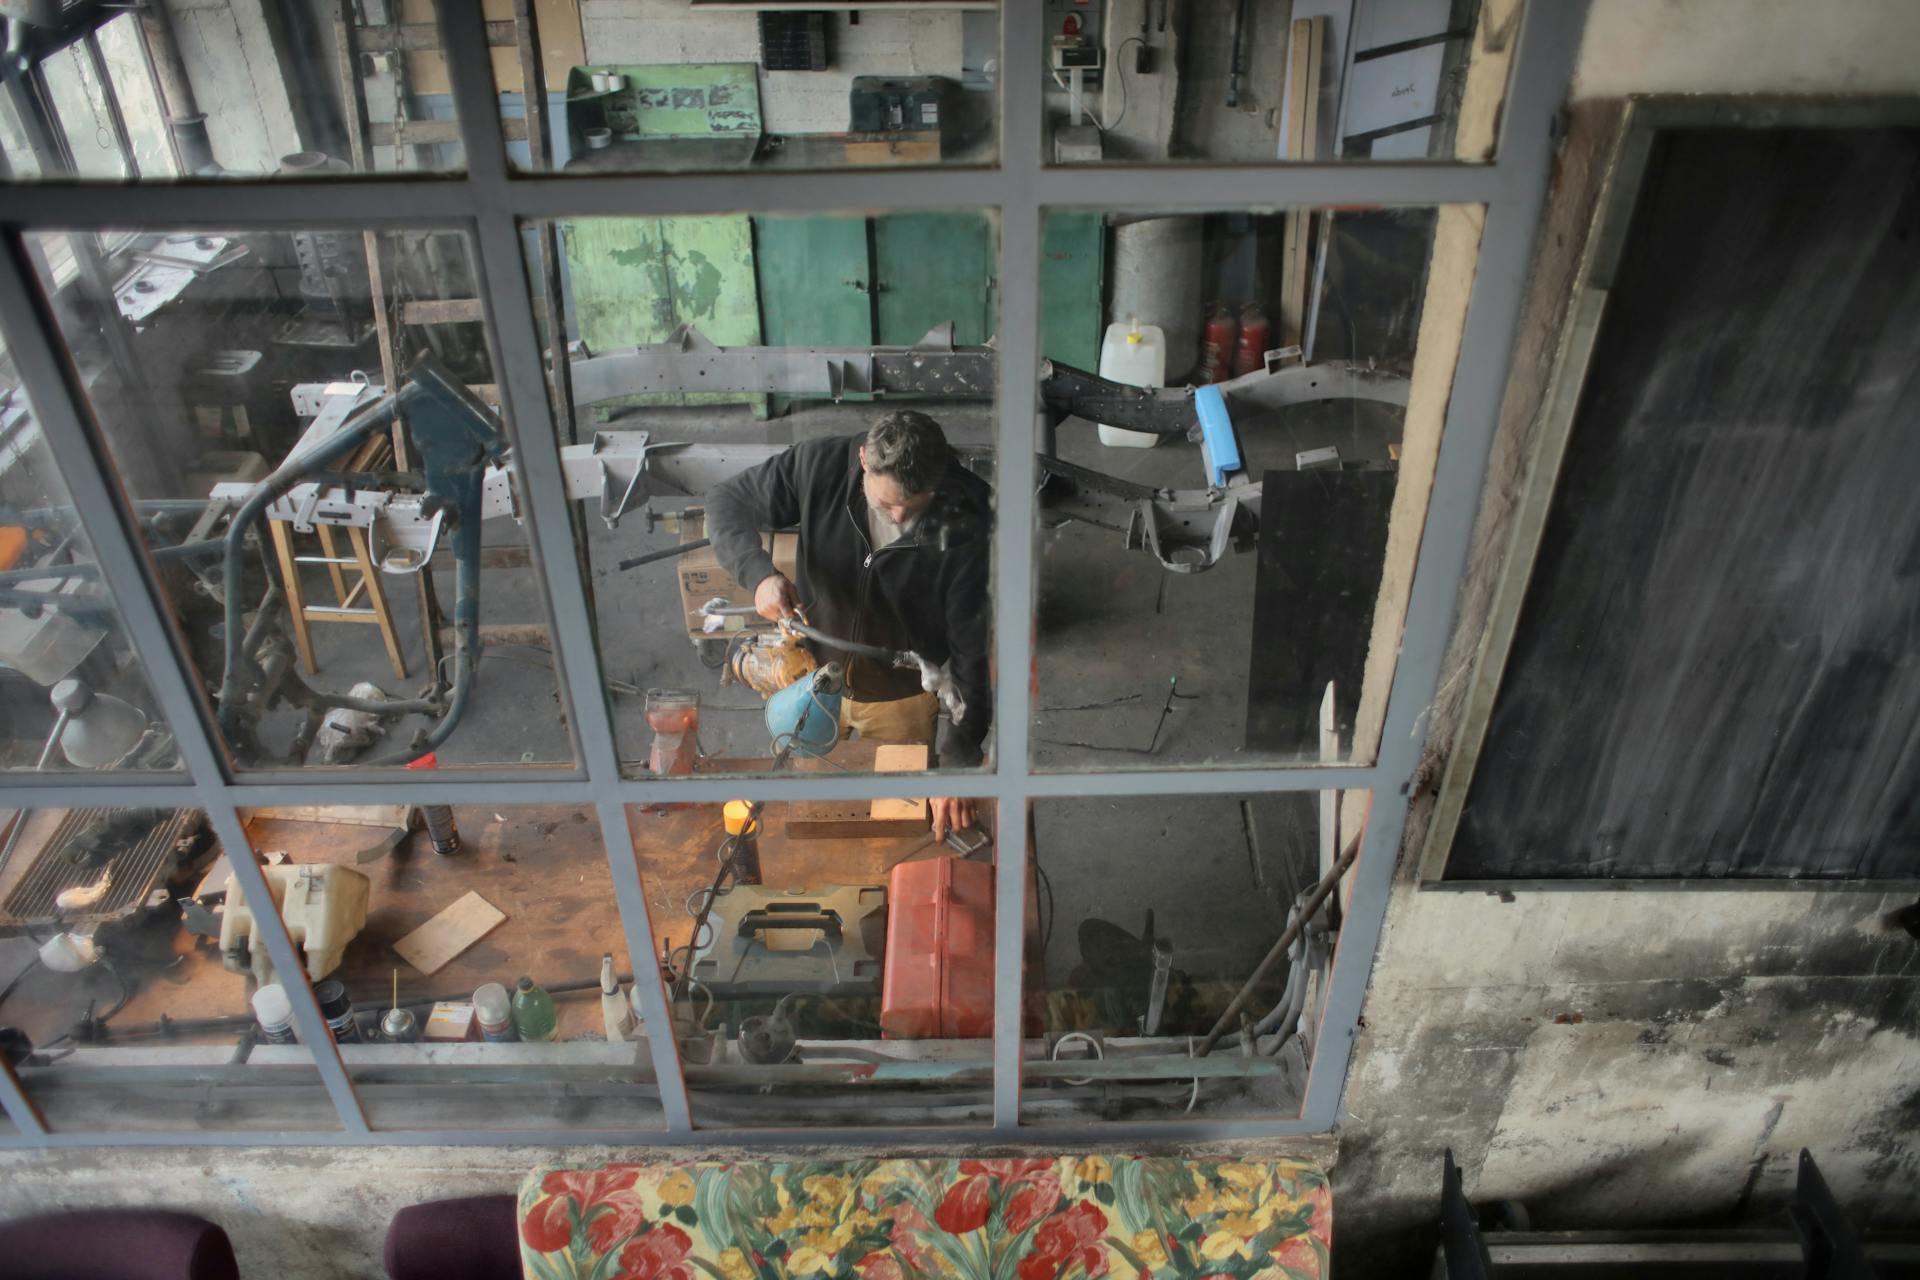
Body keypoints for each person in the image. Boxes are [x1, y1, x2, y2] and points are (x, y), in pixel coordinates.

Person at [705, 411, 991, 838]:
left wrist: (957, 764)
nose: (897, 517)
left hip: (902, 699)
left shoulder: (967, 514)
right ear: (863, 460)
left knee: (897, 828)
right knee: (804, 815)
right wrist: (759, 574)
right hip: (810, 680)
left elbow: (972, 647)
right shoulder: (818, 465)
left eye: (912, 507)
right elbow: (725, 502)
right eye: (885, 503)